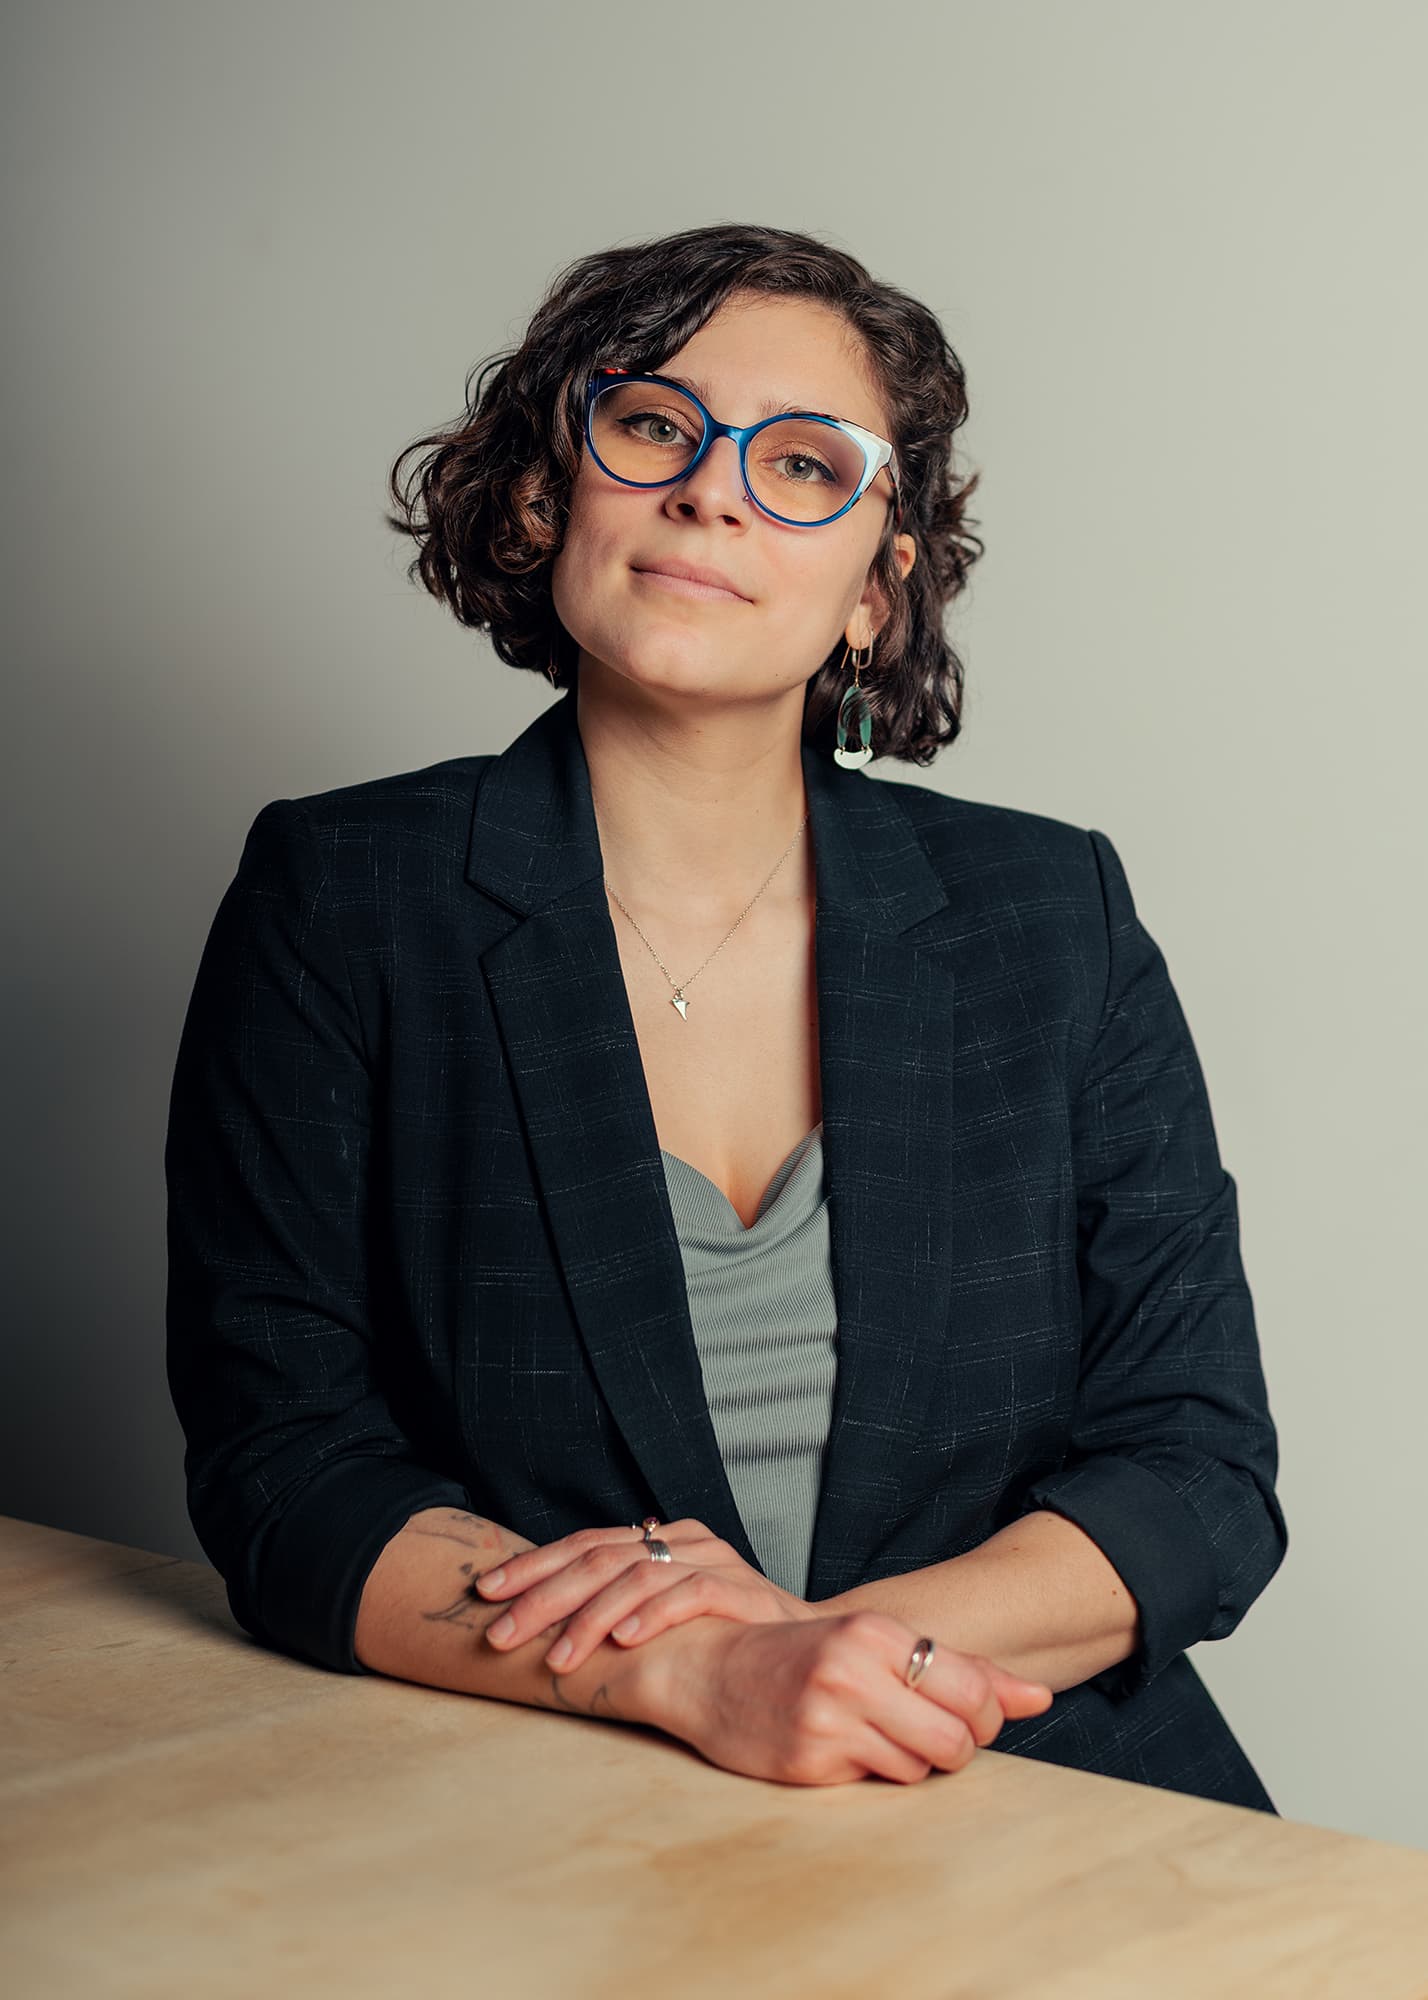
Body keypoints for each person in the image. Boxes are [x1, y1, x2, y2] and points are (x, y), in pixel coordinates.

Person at [165, 222, 1287, 1802]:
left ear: (876, 590)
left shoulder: (1056, 917)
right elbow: (287, 1472)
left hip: (1039, 1779)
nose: (711, 489)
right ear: (551, 491)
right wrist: (686, 1673)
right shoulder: (343, 896)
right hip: (561, 1799)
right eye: (653, 428)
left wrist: (827, 1662)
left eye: (807, 467)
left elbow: (1202, 1472)